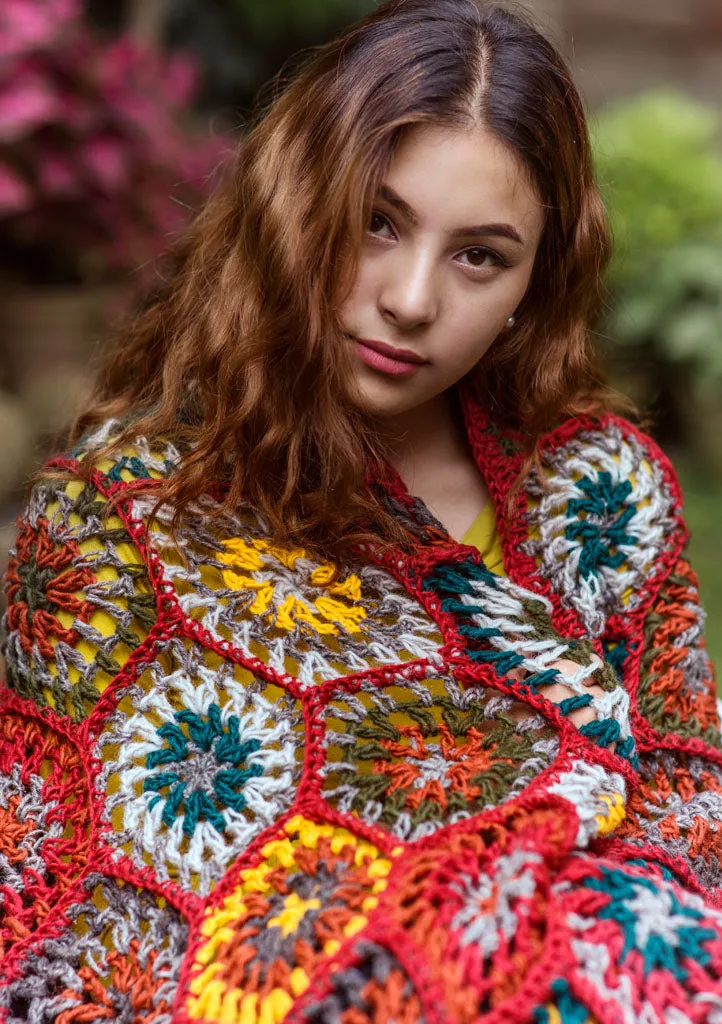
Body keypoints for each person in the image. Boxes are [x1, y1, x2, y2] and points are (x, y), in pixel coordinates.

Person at [1, 0, 721, 1020]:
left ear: (530, 285)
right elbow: (71, 890)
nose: (411, 298)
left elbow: (686, 823)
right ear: (297, 204)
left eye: (479, 255)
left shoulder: (601, 498)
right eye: (375, 222)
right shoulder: (122, 518)